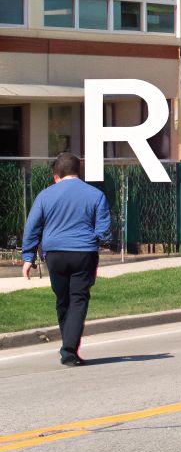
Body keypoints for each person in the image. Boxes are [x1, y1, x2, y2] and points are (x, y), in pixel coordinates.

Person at [20, 152, 113, 367]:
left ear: (56, 176)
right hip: (84, 253)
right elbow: (104, 229)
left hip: (54, 255)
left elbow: (32, 227)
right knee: (78, 299)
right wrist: (100, 240)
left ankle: (68, 348)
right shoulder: (95, 195)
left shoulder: (45, 195)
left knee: (63, 300)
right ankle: (69, 349)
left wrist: (27, 258)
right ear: (78, 172)